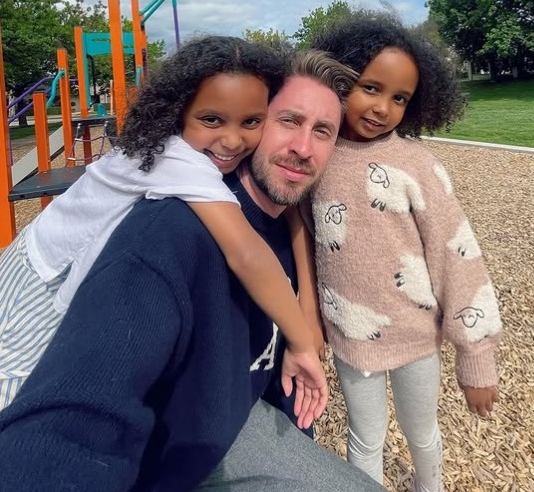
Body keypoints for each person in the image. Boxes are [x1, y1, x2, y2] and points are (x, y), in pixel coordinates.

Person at [0, 47, 385, 492]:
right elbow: (77, 416)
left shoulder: (289, 210)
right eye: (288, 120)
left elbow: (286, 224)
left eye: (322, 131)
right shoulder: (176, 218)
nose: (302, 147)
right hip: (38, 281)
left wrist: (308, 310)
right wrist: (302, 336)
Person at [308, 11, 503, 491]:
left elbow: (456, 257)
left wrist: (476, 356)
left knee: (422, 433)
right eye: (371, 88)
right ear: (340, 79)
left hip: (417, 339)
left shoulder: (417, 165)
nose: (382, 108)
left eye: (400, 98)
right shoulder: (315, 156)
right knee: (364, 439)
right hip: (351, 338)